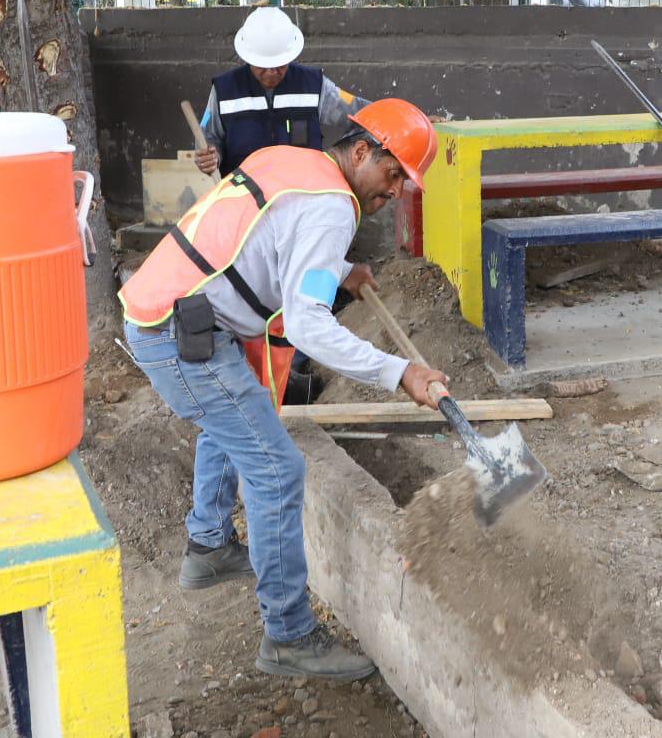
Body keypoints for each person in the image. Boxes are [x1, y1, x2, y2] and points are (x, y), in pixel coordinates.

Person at [119, 98, 448, 680]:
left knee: (234, 417)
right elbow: (306, 323)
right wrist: (401, 372)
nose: (396, 191)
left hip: (170, 314)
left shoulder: (297, 164)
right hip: (181, 333)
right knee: (275, 468)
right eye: (395, 174)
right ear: (363, 150)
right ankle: (289, 636)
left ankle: (209, 547)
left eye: (404, 183)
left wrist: (340, 271)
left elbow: (271, 242)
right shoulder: (333, 209)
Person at [193, 5, 368, 179]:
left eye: (280, 64)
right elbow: (208, 135)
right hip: (243, 195)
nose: (271, 72)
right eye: (263, 65)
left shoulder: (314, 85)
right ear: (248, 57)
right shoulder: (224, 90)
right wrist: (211, 157)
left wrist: (339, 159)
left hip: (302, 195)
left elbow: (364, 116)